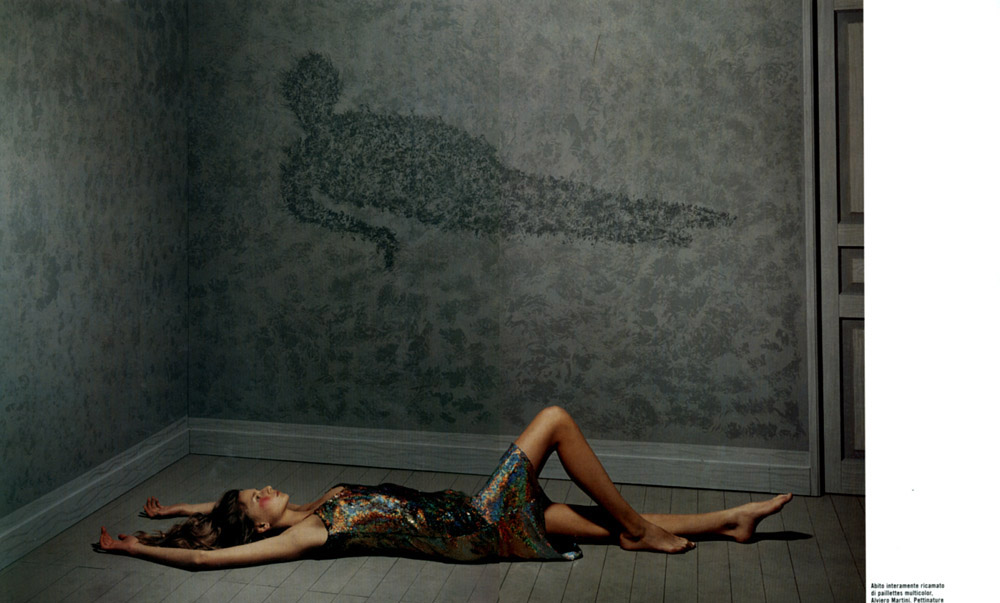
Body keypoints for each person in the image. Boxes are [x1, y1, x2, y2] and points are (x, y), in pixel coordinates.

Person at [97, 406, 791, 569]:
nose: (267, 488)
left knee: (602, 520)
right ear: (257, 524)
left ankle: (730, 520)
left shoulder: (309, 506)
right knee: (554, 419)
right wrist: (138, 548)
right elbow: (206, 561)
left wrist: (179, 508)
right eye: (258, 497)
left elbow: (217, 520)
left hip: (469, 515)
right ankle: (640, 531)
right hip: (476, 524)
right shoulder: (307, 533)